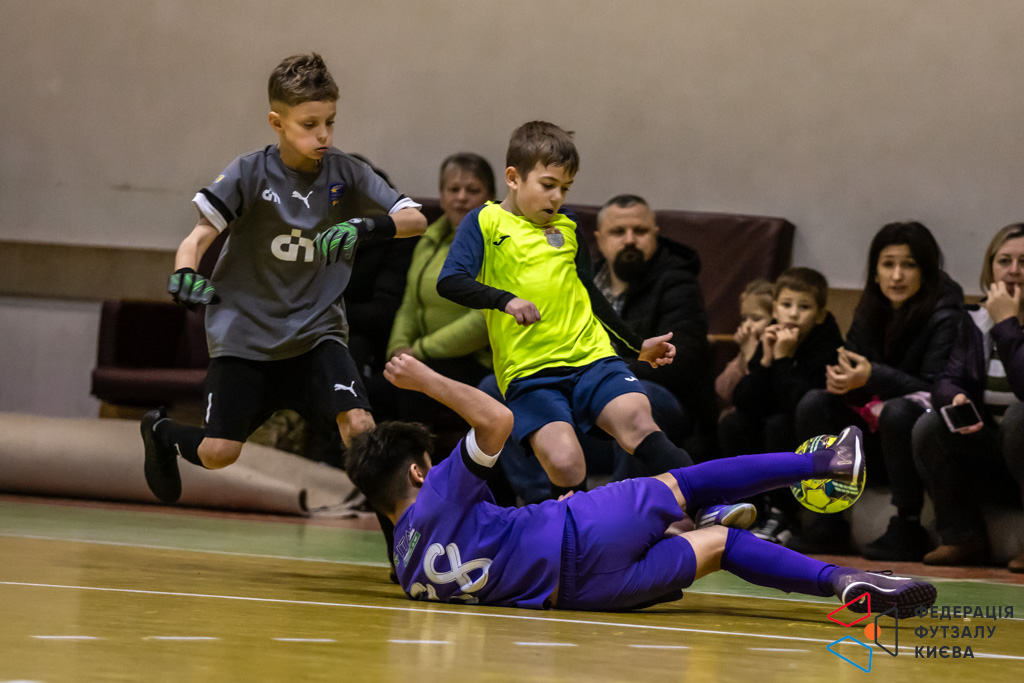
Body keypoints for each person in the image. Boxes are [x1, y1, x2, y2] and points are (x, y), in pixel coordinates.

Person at [345, 354, 937, 616]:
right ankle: (827, 463)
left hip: (586, 595)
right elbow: (497, 420)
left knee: (721, 548)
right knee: (684, 481)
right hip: (581, 532)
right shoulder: (437, 493)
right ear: (418, 472)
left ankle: (843, 582)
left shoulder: (407, 571)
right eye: (430, 462)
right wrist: (424, 379)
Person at [139, 53, 427, 503]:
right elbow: (196, 239)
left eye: (330, 122)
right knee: (218, 453)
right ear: (277, 122)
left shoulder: (347, 173)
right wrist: (184, 273)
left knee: (361, 430)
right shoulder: (248, 172)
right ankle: (161, 433)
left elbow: (415, 220)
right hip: (245, 337)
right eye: (309, 124)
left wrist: (365, 226)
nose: (324, 135)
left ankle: (401, 538)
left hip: (316, 334)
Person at [437, 121, 691, 499]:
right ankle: (568, 531)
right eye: (548, 185)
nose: (557, 197)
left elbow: (589, 293)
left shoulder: (567, 226)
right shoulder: (484, 221)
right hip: (530, 372)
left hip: (592, 359)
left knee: (639, 422)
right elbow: (450, 281)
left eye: (565, 187)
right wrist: (505, 300)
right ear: (513, 178)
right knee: (566, 462)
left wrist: (636, 346)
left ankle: (709, 504)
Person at [792, 222, 963, 559]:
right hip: (873, 433)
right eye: (888, 264)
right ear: (875, 271)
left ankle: (908, 524)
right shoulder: (870, 307)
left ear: (926, 270)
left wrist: (872, 375)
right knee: (815, 402)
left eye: (908, 265)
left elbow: (935, 388)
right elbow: (852, 364)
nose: (896, 276)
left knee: (898, 410)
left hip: (919, 437)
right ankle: (829, 519)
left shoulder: (946, 314)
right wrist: (843, 381)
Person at [912, 223, 1024, 571]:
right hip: (995, 454)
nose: (1013, 270)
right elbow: (947, 378)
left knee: (1020, 416)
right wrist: (956, 397)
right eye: (1004, 261)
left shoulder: (1000, 322)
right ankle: (963, 538)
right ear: (990, 269)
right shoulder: (974, 321)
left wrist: (1007, 324)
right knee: (931, 425)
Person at [371, 153, 496, 429]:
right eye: (453, 189)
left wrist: (419, 351)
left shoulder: (496, 246)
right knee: (371, 390)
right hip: (423, 357)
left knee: (412, 386)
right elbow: (409, 304)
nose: (461, 198)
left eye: (472, 190)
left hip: (475, 360)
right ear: (441, 196)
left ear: (490, 198)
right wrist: (399, 348)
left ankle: (419, 457)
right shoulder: (428, 240)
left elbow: (484, 320)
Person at [719, 268, 843, 544]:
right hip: (775, 424)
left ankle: (783, 513)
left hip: (808, 433)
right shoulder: (770, 337)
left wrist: (783, 359)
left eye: (804, 307)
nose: (793, 314)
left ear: (819, 315)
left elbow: (799, 406)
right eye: (786, 305)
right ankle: (748, 509)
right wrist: (764, 360)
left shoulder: (828, 346)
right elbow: (745, 401)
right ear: (775, 309)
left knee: (778, 425)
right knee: (733, 423)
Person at [591, 194, 716, 458]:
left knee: (633, 397)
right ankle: (540, 487)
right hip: (588, 397)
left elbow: (682, 362)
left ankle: (633, 488)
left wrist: (609, 370)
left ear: (655, 235)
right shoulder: (580, 283)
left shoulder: (677, 282)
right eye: (618, 232)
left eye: (640, 231)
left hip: (661, 401)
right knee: (512, 390)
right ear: (599, 240)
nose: (630, 240)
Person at [715, 279, 775, 415]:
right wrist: (743, 355)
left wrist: (751, 357)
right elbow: (723, 390)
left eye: (756, 318)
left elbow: (757, 396)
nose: (747, 325)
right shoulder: (748, 346)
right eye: (744, 318)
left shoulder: (775, 351)